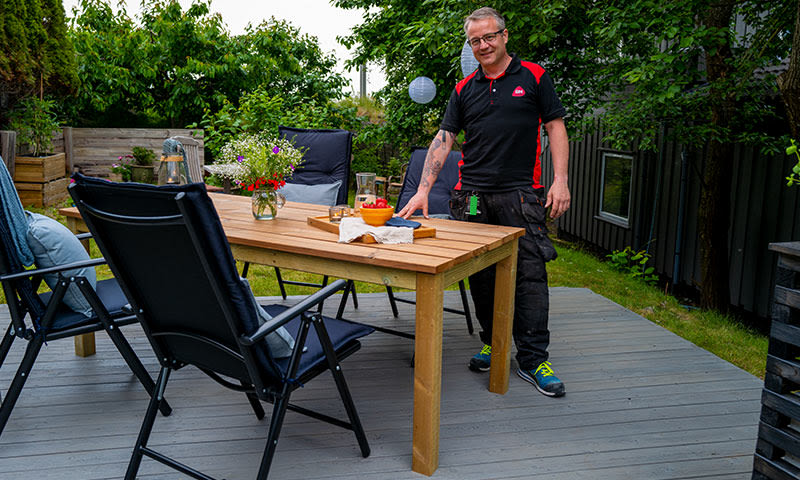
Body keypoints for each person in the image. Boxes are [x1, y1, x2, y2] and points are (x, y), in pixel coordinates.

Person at [398, 6, 570, 397]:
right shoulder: (464, 89)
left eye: (489, 36)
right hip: (472, 199)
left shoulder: (534, 76)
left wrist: (560, 181)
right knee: (482, 274)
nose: (483, 45)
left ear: (504, 36)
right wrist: (424, 189)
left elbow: (556, 127)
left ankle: (532, 359)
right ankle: (494, 343)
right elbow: (444, 139)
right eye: (475, 40)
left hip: (520, 196)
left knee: (529, 275)